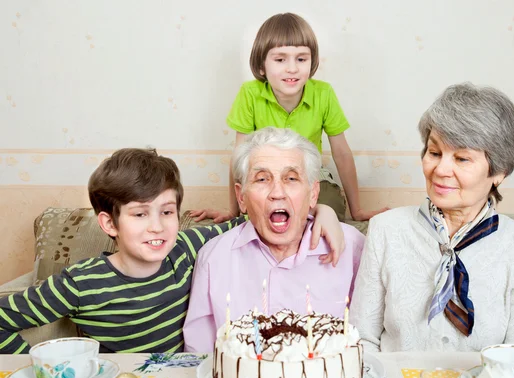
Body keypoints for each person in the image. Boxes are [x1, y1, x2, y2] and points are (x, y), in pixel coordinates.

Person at [0, 148, 344, 354]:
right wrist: (40, 368)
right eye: (139, 214)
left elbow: (257, 216)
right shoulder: (80, 284)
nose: (157, 226)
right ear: (109, 224)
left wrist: (321, 212)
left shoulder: (186, 246)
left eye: (167, 212)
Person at [349, 83, 514, 352]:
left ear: (499, 171)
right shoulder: (386, 230)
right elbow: (362, 338)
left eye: (462, 159)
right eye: (434, 153)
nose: (441, 170)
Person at [190, 12, 388, 223]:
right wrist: (233, 210)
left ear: (312, 63)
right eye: (280, 59)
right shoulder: (249, 94)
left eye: (301, 59)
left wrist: (357, 210)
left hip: (309, 173)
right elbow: (240, 157)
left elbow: (342, 153)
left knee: (326, 208)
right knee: (259, 209)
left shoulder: (324, 93)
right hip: (265, 173)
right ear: (261, 66)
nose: (292, 68)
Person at [183, 128, 365, 353]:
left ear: (314, 193)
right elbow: (200, 358)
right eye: (262, 179)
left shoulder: (354, 248)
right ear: (241, 197)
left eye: (291, 178)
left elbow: (367, 346)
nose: (277, 192)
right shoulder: (214, 258)